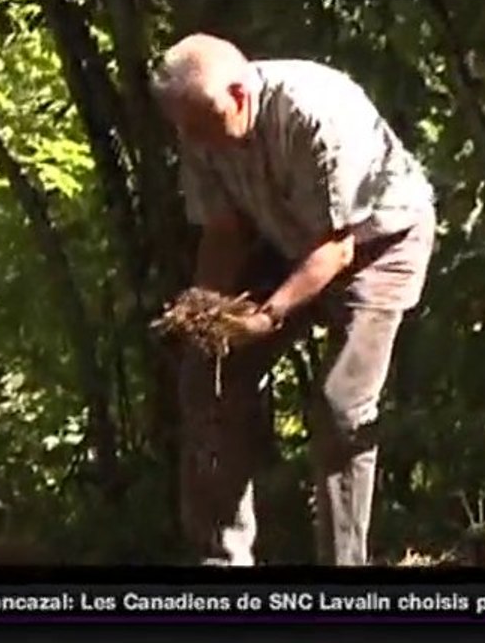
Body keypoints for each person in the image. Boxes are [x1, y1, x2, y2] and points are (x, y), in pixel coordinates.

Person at [150, 33, 436, 566]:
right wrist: (205, 308)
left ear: (239, 94)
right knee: (205, 377)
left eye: (206, 126)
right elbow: (224, 230)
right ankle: (221, 561)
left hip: (378, 245)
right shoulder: (199, 124)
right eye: (187, 131)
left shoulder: (317, 113)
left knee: (341, 407)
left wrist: (268, 317)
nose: (199, 142)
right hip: (285, 239)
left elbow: (336, 248)